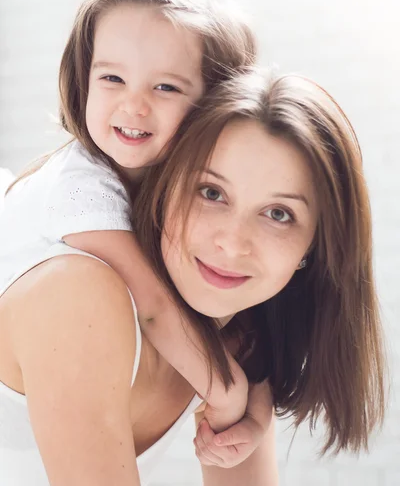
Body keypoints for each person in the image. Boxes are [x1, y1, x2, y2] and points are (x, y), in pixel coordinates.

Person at [0, 68, 386, 485]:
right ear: (167, 187)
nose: (233, 243)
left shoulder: (236, 344)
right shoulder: (78, 296)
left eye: (279, 214)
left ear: (313, 249)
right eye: (211, 192)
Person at [0, 0, 259, 437]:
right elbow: (153, 306)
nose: (134, 105)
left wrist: (254, 413)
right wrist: (225, 391)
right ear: (84, 81)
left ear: (215, 104)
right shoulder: (78, 186)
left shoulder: (181, 196)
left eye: (166, 87)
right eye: (112, 78)